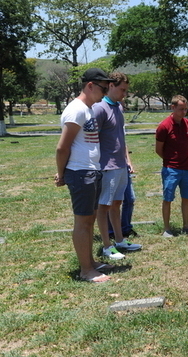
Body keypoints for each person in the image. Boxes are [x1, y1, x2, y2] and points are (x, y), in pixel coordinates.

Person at [55, 68, 115, 283]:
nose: (105, 93)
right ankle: (86, 270)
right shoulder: (76, 110)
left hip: (91, 170)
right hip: (80, 172)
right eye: (103, 88)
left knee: (89, 220)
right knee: (83, 222)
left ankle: (90, 262)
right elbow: (62, 147)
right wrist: (61, 174)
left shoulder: (88, 109)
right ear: (90, 85)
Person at [94, 72, 142, 260]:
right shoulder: (100, 108)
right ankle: (107, 246)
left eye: (126, 90)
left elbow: (120, 137)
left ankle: (120, 241)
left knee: (116, 204)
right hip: (107, 166)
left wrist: (127, 160)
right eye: (122, 90)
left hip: (121, 164)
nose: (124, 94)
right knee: (104, 206)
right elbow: (93, 138)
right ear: (111, 86)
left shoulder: (119, 107)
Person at [155, 95, 188, 237]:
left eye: (185, 109)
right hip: (171, 169)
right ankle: (167, 229)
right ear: (172, 107)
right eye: (181, 109)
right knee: (167, 198)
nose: (184, 112)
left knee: (186, 197)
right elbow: (158, 149)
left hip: (187, 168)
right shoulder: (164, 126)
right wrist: (170, 160)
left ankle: (186, 225)